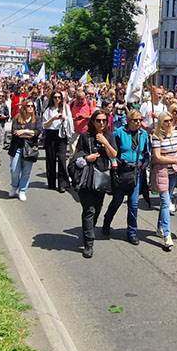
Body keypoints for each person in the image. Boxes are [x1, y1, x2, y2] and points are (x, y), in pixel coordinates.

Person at [72, 111, 117, 259]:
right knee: (89, 210)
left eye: (104, 121)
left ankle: (89, 229)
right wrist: (87, 158)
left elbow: (114, 154)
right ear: (92, 121)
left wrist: (105, 142)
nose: (101, 123)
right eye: (98, 120)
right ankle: (89, 243)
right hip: (87, 177)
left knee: (97, 208)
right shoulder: (85, 136)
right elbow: (77, 156)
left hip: (102, 178)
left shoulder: (109, 136)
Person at [104, 109, 150, 244]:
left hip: (136, 173)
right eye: (135, 120)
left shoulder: (144, 135)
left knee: (133, 204)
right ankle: (107, 222)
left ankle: (132, 232)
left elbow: (147, 154)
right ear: (128, 121)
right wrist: (116, 163)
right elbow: (112, 153)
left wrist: (144, 163)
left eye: (140, 120)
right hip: (122, 173)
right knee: (117, 202)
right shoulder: (119, 133)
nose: (138, 123)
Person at [149, 112, 177, 250]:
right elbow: (156, 157)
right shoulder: (156, 137)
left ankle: (159, 228)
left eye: (170, 120)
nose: (169, 123)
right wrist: (173, 160)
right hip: (162, 172)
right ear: (161, 122)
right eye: (166, 121)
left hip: (174, 172)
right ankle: (167, 236)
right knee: (165, 203)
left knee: (165, 202)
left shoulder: (176, 134)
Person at [7, 99, 40, 202]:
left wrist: (24, 131)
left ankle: (22, 190)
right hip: (17, 147)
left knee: (26, 171)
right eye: (28, 106)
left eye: (32, 106)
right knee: (14, 169)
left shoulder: (37, 119)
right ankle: (14, 186)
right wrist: (29, 133)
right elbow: (15, 132)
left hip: (29, 148)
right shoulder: (17, 118)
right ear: (24, 107)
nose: (30, 108)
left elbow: (37, 132)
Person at [41, 91, 71, 193]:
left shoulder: (65, 108)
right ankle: (51, 183)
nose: (57, 99)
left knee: (62, 159)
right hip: (51, 134)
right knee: (51, 159)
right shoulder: (48, 110)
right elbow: (44, 125)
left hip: (61, 135)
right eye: (55, 97)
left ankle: (62, 184)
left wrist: (64, 118)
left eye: (59, 97)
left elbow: (70, 121)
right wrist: (53, 118)